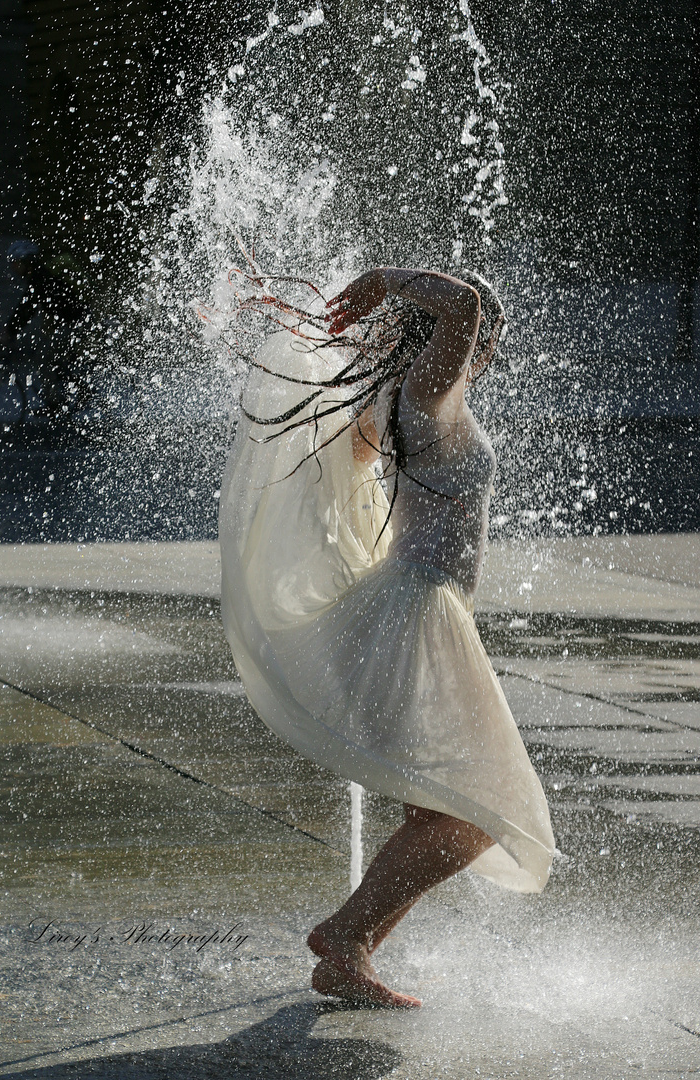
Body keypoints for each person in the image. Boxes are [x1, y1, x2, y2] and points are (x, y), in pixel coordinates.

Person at [218, 265, 554, 1009]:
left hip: (412, 609)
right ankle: (347, 934)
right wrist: (382, 281)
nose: (484, 344)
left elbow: (358, 461)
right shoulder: (431, 395)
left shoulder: (398, 403)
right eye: (480, 335)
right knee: (473, 815)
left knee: (432, 805)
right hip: (418, 611)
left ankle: (354, 953)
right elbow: (461, 302)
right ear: (454, 339)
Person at [0, 241, 92, 414]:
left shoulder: (41, 278)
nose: (14, 267)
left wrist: (10, 331)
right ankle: (77, 389)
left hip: (74, 324)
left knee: (45, 359)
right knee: (53, 357)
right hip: (74, 322)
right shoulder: (41, 276)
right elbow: (27, 307)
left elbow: (27, 308)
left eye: (16, 263)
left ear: (26, 262)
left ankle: (55, 404)